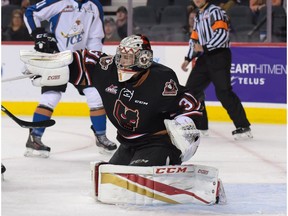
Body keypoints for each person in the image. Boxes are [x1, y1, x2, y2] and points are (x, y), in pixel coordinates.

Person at [23, 34, 203, 166]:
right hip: (127, 143)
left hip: (156, 143)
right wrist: (54, 60)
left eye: (128, 57)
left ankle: (169, 157)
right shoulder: (108, 68)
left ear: (143, 59)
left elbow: (189, 103)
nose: (121, 62)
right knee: (109, 178)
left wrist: (184, 123)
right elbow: (85, 61)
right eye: (120, 56)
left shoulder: (161, 80)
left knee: (133, 179)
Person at [23, 0, 117, 158]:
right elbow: (31, 12)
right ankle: (35, 138)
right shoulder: (58, 2)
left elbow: (96, 35)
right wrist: (38, 34)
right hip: (57, 56)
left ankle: (101, 136)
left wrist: (94, 55)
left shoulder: (94, 6)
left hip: (82, 58)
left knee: (95, 94)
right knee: (51, 95)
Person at [181, 0, 252, 139]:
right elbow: (194, 38)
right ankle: (200, 126)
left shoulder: (216, 12)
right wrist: (188, 58)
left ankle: (243, 127)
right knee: (191, 91)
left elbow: (222, 34)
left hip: (219, 55)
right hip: (205, 57)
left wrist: (204, 47)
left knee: (223, 92)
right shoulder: (198, 16)